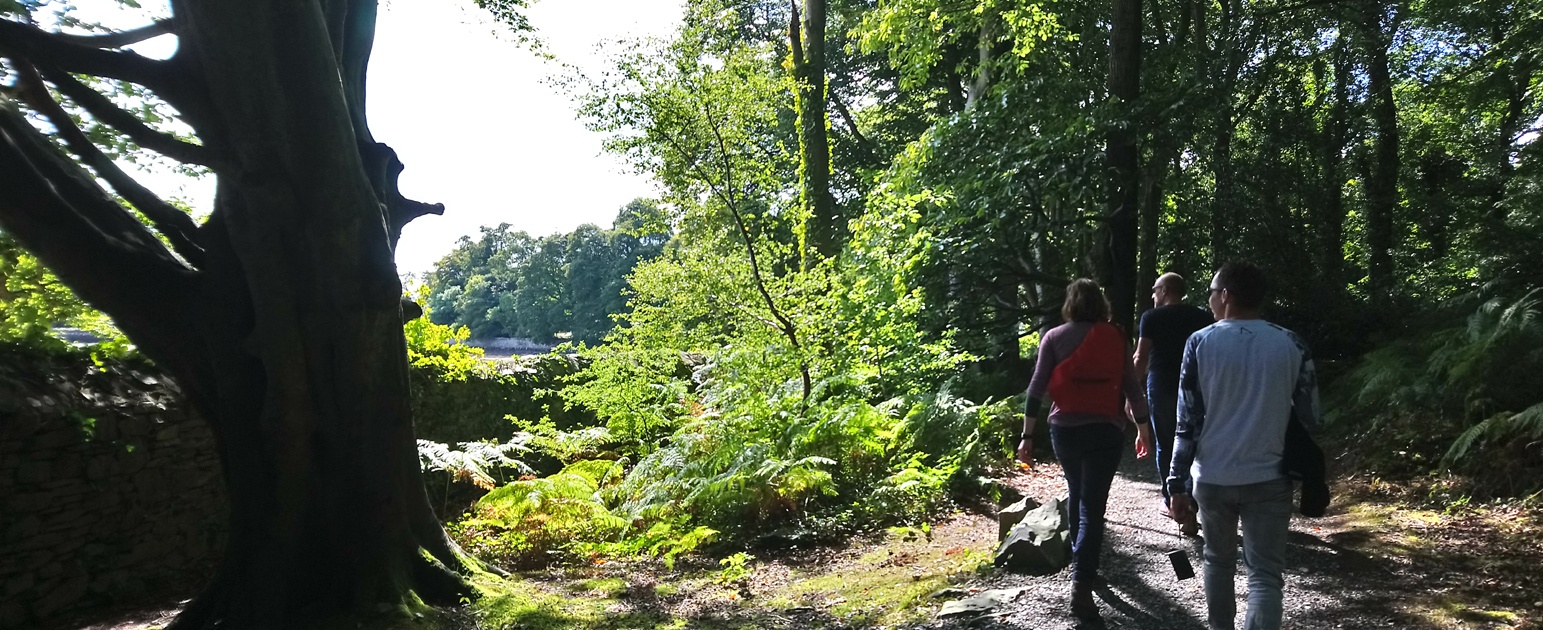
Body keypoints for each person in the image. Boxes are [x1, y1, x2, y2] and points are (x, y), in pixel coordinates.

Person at [1167, 262, 1321, 630]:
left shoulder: (1200, 342)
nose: (1210, 301)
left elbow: (1186, 421)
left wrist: (1176, 482)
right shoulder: (1291, 342)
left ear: (1226, 295)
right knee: (1265, 576)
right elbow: (1312, 417)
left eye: (1211, 293)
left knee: (1218, 562)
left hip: (1213, 476)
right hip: (1269, 476)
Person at [1019, 278, 1152, 619]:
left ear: (1070, 304)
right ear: (1101, 304)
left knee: (1077, 493)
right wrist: (1142, 428)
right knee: (1092, 505)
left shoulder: (1053, 337)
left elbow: (1037, 388)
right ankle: (1082, 580)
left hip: (1065, 430)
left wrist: (1027, 436)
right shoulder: (1115, 336)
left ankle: (1083, 567)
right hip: (1105, 431)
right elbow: (1132, 388)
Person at [1133, 272, 1214, 534]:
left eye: (1155, 290)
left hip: (1162, 386)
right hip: (1196, 385)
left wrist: (1131, 393)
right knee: (1195, 444)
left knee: (1167, 444)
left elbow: (1140, 357)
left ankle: (1173, 503)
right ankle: (1192, 504)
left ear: (1165, 290)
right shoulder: (1202, 316)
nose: (1152, 295)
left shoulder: (1151, 317)